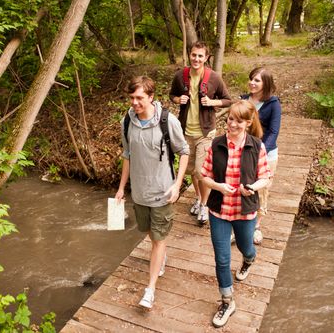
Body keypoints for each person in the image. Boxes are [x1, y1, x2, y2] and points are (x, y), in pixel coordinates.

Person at [115, 76, 189, 309]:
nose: (134, 102)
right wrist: (120, 189)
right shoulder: (126, 121)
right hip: (139, 192)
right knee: (148, 231)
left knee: (158, 239)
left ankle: (150, 290)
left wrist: (177, 185)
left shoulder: (168, 121)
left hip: (162, 192)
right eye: (132, 98)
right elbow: (127, 155)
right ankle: (161, 256)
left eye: (139, 98)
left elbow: (184, 151)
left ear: (151, 97)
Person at [200, 100, 270, 328]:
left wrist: (251, 187)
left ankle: (249, 259)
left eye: (238, 121)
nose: (232, 124)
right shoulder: (217, 143)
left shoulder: (257, 146)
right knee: (221, 258)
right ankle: (227, 301)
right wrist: (218, 187)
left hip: (245, 209)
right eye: (230, 119)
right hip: (219, 209)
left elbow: (265, 177)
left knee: (245, 247)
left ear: (248, 123)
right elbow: (204, 175)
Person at [169, 41, 232, 225]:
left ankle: (204, 205)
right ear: (190, 55)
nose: (196, 59)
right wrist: (177, 99)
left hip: (206, 132)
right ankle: (198, 197)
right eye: (194, 55)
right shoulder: (181, 76)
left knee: (201, 171)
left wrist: (212, 103)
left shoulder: (214, 77)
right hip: (185, 132)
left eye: (200, 56)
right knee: (191, 171)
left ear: (206, 58)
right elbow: (171, 95)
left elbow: (227, 100)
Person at [241, 67, 281, 245]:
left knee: (262, 188)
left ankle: (256, 226)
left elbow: (274, 131)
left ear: (266, 84)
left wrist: (262, 149)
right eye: (251, 79)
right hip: (243, 151)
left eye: (257, 80)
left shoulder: (273, 104)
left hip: (266, 153)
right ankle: (242, 221)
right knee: (244, 185)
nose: (252, 82)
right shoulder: (243, 100)